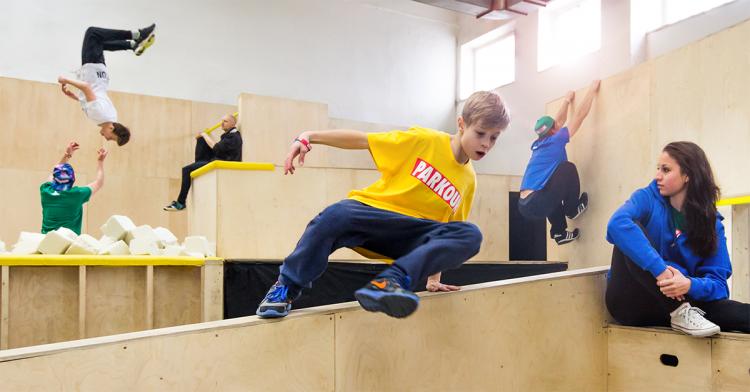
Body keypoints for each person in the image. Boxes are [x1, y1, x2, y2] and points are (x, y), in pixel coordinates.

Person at [255, 91, 510, 319]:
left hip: (411, 237)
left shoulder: (469, 180)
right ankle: (285, 288)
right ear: (462, 124)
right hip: (376, 216)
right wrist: (309, 136)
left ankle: (390, 282)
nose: (486, 144)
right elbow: (364, 140)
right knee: (336, 214)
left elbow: (449, 228)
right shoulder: (425, 140)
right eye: (480, 134)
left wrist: (433, 280)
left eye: (494, 138)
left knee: (470, 233)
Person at [606, 141, 750, 336]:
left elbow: (719, 286)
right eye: (658, 169)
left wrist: (688, 284)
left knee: (740, 313)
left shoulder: (712, 223)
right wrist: (661, 271)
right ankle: (679, 312)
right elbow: (616, 224)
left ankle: (682, 313)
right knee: (631, 232)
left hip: (684, 301)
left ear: (687, 175)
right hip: (633, 302)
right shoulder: (647, 197)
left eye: (666, 170)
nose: (658, 176)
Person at [518, 80, 601, 245]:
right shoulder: (557, 140)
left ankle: (559, 233)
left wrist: (566, 100)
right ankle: (572, 209)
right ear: (554, 130)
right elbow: (579, 116)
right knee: (567, 168)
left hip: (524, 205)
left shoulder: (540, 144)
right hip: (538, 201)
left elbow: (557, 122)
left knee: (548, 186)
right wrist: (591, 90)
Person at [57, 24, 156, 146]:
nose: (107, 139)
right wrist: (66, 80)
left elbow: (92, 99)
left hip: (100, 74)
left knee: (100, 42)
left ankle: (132, 45)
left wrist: (73, 96)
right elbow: (87, 88)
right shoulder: (99, 115)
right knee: (92, 33)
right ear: (111, 129)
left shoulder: (111, 117)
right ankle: (137, 35)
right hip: (92, 70)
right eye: (111, 138)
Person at [164, 114, 243, 211]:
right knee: (201, 139)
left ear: (233, 123)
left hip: (223, 163)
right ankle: (199, 164)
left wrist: (204, 134)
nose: (222, 124)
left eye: (225, 121)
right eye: (222, 121)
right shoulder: (228, 135)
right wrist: (202, 136)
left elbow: (216, 148)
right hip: (218, 158)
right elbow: (218, 149)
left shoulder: (234, 136)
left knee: (186, 169)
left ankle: (180, 203)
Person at [41, 142, 108, 235]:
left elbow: (54, 172)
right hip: (69, 246)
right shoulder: (77, 194)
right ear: (72, 179)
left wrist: (67, 154)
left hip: (46, 245)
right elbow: (99, 182)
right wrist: (100, 162)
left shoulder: (45, 191)